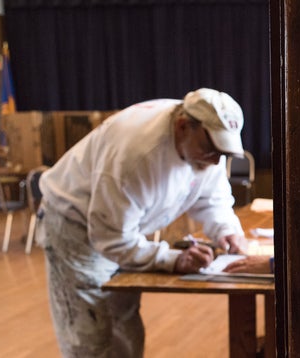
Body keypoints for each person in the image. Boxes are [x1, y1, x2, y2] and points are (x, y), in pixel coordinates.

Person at [37, 88, 267, 357]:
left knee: (124, 322)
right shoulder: (135, 155)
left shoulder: (203, 146)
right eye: (210, 150)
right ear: (183, 126)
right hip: (75, 229)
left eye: (222, 153)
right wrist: (172, 259)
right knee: (91, 334)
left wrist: (226, 231)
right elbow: (110, 238)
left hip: (122, 227)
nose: (216, 160)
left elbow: (212, 199)